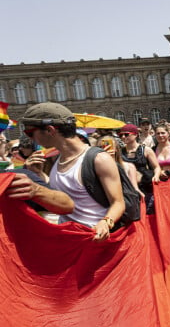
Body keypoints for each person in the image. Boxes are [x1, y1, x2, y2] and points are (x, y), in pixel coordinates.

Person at [20, 102, 125, 242]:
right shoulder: (58, 159)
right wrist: (39, 175)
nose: (29, 138)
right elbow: (66, 196)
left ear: (50, 130)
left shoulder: (99, 159)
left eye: (30, 132)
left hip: (96, 242)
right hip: (71, 242)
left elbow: (118, 203)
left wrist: (106, 222)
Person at [120, 123, 161, 214]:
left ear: (135, 134)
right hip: (128, 189)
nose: (123, 137)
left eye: (126, 134)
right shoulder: (119, 152)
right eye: (121, 135)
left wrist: (156, 176)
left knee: (148, 214)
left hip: (146, 187)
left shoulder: (146, 150)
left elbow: (156, 167)